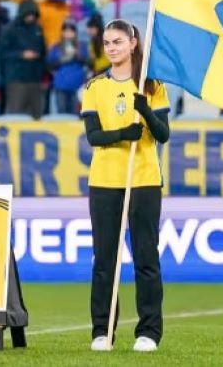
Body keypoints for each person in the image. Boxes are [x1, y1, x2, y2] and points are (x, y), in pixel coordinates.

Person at [80, 19, 170, 353]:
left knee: (146, 257)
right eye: (106, 43)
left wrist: (145, 110)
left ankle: (149, 332)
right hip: (105, 181)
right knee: (104, 259)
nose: (111, 48)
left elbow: (163, 134)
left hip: (144, 179)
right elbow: (93, 136)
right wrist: (121, 134)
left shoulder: (152, 84)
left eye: (117, 41)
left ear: (133, 43)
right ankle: (102, 331)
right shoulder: (94, 87)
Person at [0, 0, 47, 117]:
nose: (31, 17)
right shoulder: (9, 29)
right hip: (16, 80)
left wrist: (43, 75)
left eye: (33, 15)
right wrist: (21, 55)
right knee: (16, 115)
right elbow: (2, 53)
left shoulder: (38, 29)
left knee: (37, 115)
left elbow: (43, 52)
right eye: (28, 14)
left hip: (35, 79)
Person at [49, 21, 89, 114]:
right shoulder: (56, 47)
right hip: (60, 84)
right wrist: (62, 59)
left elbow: (87, 60)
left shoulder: (81, 46)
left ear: (75, 33)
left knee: (76, 113)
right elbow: (50, 63)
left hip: (77, 85)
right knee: (61, 114)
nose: (68, 34)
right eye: (65, 31)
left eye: (71, 31)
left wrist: (76, 54)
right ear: (62, 33)